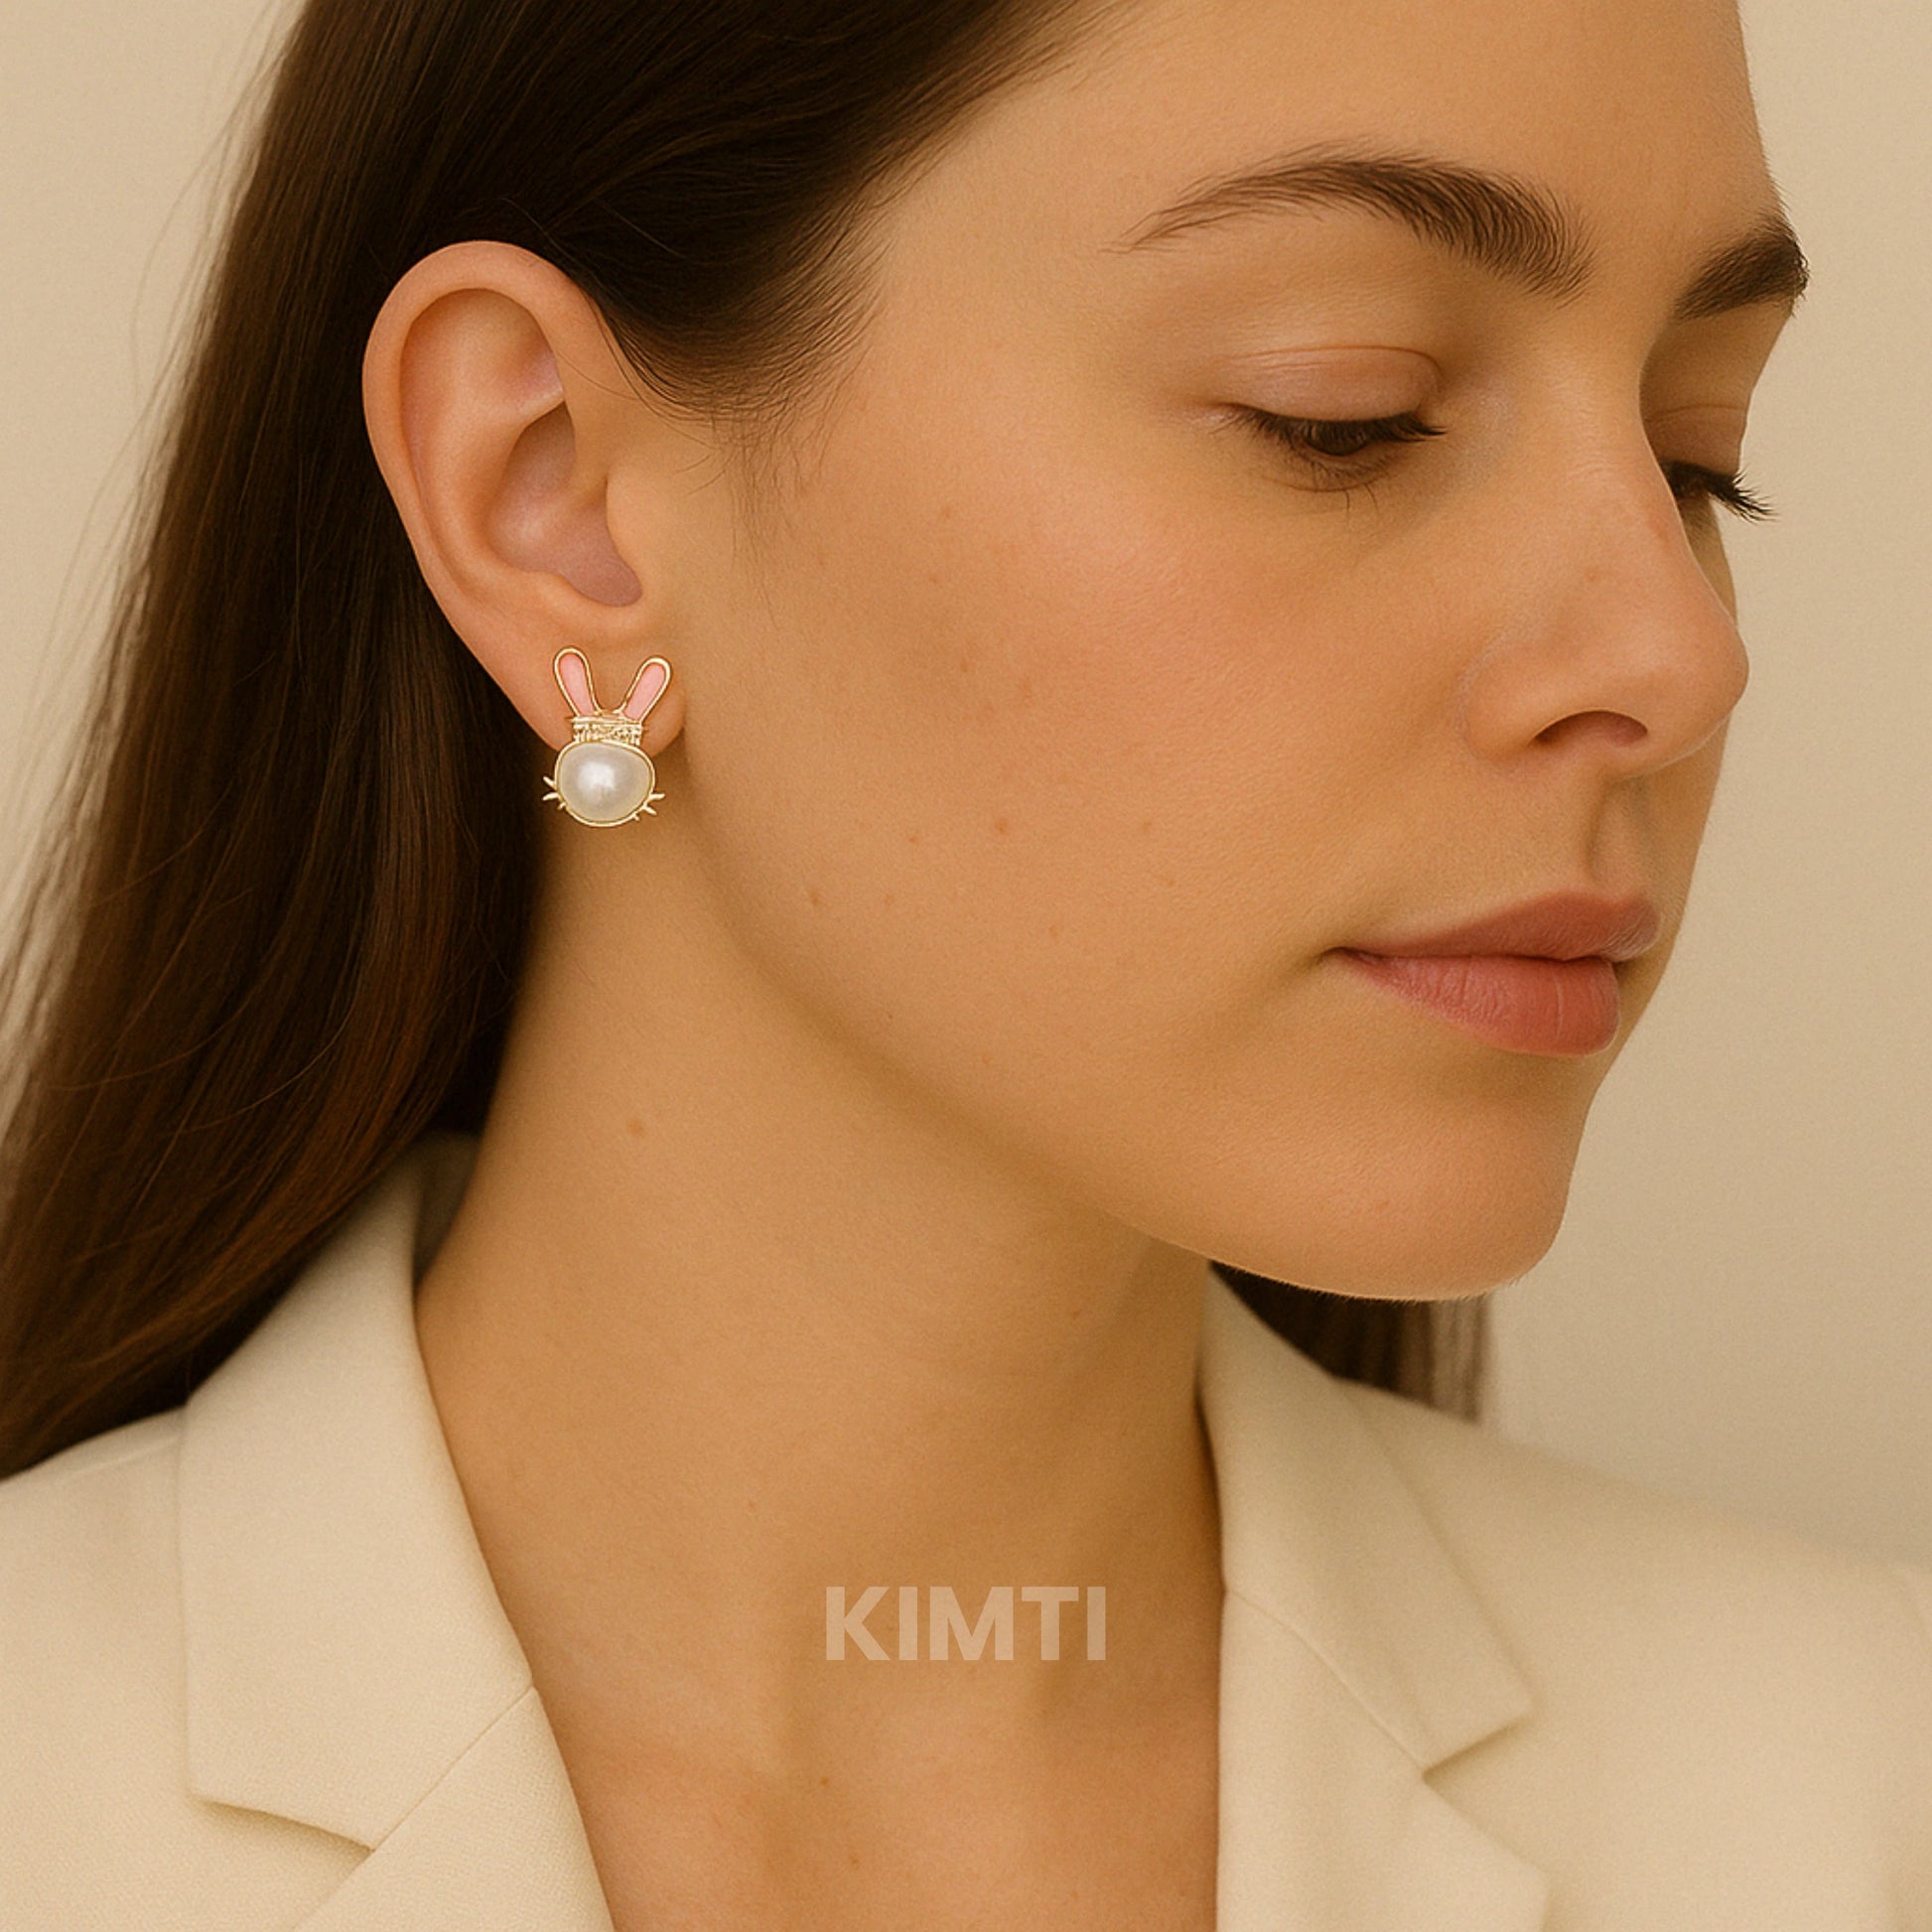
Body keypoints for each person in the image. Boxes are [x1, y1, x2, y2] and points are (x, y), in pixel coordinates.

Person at [1, 0, 1926, 1925]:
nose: (1677, 654)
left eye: (1696, 453)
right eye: (1342, 410)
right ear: (553, 492)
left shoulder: (1860, 1804)